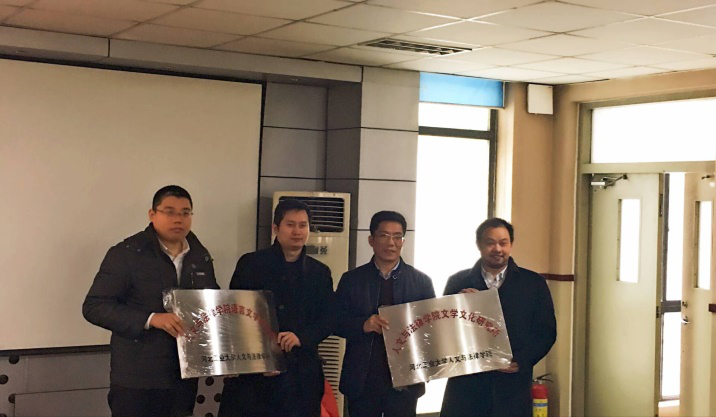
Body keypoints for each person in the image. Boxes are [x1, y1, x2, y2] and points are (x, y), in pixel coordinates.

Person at [83, 185, 219, 417]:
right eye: (169, 211)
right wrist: (151, 319)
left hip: (183, 375)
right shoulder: (127, 253)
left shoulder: (199, 255)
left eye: (185, 212)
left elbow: (210, 303)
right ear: (152, 214)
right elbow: (94, 307)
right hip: (137, 377)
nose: (178, 219)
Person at [219, 199, 337, 417]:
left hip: (300, 373)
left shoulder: (320, 273)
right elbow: (234, 314)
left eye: (303, 225)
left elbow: (328, 319)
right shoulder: (251, 264)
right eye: (290, 225)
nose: (297, 231)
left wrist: (301, 337)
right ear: (275, 228)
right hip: (256, 373)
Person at [439, 218, 556, 417]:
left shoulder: (533, 283)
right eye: (490, 243)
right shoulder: (458, 282)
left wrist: (521, 360)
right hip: (467, 387)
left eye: (503, 243)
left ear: (511, 244)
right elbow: (444, 331)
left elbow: (546, 332)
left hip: (512, 387)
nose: (497, 249)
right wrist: (460, 306)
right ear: (479, 245)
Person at [336, 211, 436, 417]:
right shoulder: (351, 280)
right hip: (362, 378)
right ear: (371, 240)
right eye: (384, 235)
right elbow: (335, 322)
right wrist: (363, 325)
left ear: (403, 241)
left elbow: (431, 330)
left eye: (397, 236)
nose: (391, 242)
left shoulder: (421, 282)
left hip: (405, 380)